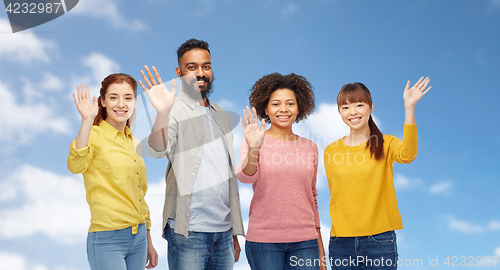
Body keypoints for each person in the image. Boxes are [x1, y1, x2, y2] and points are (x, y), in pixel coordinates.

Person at [139, 38, 244, 270]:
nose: (200, 72)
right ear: (179, 72)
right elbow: (157, 149)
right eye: (192, 67)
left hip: (224, 233)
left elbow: (227, 177)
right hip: (188, 231)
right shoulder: (173, 109)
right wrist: (162, 113)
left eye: (206, 66)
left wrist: (234, 232)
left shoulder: (222, 115)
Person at [324, 77, 432, 269]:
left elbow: (408, 154)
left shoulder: (385, 143)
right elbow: (335, 193)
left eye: (359, 105)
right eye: (345, 107)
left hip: (379, 240)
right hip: (340, 242)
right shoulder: (330, 151)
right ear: (339, 112)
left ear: (371, 107)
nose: (353, 112)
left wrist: (409, 107)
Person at [67, 73, 158, 270]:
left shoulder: (133, 141)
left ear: (134, 102)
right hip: (107, 239)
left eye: (128, 97)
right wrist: (86, 121)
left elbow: (139, 195)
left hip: (139, 237)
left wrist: (148, 239)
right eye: (113, 97)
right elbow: (76, 165)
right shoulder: (94, 134)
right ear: (103, 101)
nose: (121, 104)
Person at [236, 73, 326, 270]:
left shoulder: (310, 147)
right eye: (276, 104)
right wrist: (254, 149)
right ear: (265, 109)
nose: (283, 109)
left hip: (306, 242)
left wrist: (320, 247)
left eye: (290, 103)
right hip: (263, 241)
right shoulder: (253, 140)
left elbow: (312, 196)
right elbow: (245, 177)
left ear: (299, 107)